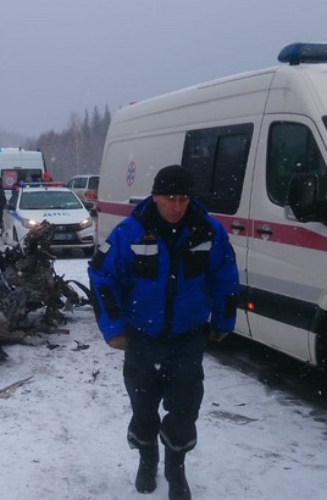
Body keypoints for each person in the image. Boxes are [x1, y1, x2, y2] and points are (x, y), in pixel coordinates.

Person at [88, 165, 238, 500]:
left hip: (187, 337)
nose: (176, 206)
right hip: (142, 338)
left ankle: (176, 469)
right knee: (143, 407)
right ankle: (147, 457)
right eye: (169, 198)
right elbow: (101, 278)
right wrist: (114, 329)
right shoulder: (131, 232)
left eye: (183, 198)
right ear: (155, 197)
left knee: (185, 408)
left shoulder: (207, 231)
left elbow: (225, 277)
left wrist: (223, 322)